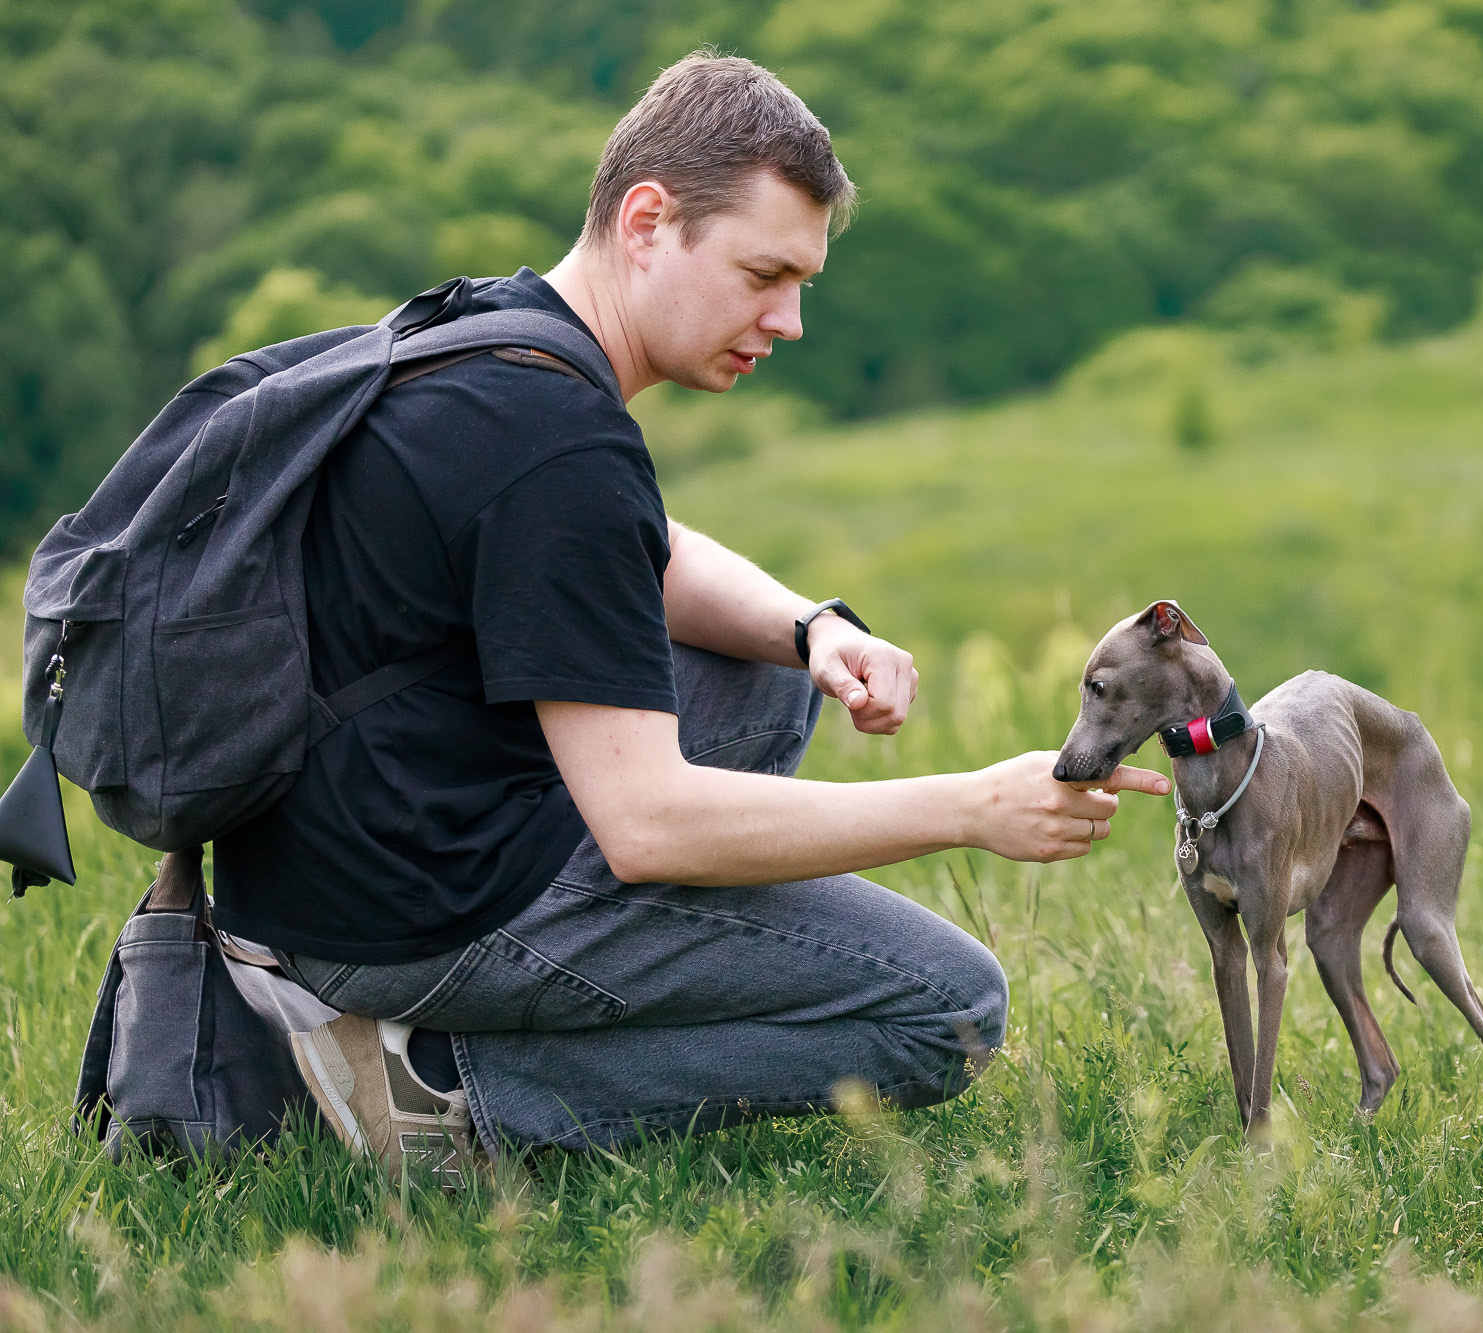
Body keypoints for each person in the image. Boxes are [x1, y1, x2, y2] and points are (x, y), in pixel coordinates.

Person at [214, 51, 1170, 1184]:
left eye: (802, 282)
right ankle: (445, 1094)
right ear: (648, 220)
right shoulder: (556, 442)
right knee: (948, 1007)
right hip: (399, 918)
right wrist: (969, 806)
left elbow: (637, 552)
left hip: (329, 850)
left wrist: (813, 628)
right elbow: (649, 827)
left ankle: (502, 1006)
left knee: (764, 665)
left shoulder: (499, 335)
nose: (791, 319)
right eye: (764, 274)